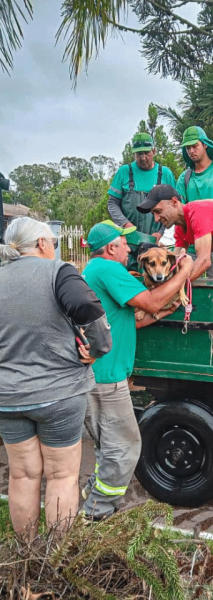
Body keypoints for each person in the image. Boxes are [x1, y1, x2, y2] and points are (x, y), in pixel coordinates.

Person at [0, 217, 112, 539]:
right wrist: (99, 347)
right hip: (60, 395)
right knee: (62, 475)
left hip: (8, 398)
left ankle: (27, 556)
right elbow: (85, 305)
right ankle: (56, 561)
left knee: (21, 476)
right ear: (41, 244)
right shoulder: (59, 272)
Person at [79, 221, 193, 521]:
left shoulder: (92, 271)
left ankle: (89, 497)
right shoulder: (110, 270)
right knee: (126, 447)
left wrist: (162, 313)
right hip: (106, 377)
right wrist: (184, 271)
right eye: (124, 244)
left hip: (100, 374)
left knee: (108, 447)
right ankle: (96, 515)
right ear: (111, 247)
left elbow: (129, 321)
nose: (130, 249)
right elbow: (152, 300)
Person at [107, 132, 178, 267]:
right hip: (128, 242)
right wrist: (125, 224)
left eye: (146, 153)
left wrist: (161, 232)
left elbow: (174, 208)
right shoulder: (124, 172)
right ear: (134, 154)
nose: (143, 157)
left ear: (154, 151)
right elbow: (112, 203)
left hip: (156, 242)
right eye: (139, 154)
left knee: (155, 278)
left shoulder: (165, 174)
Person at [176, 125, 213, 278]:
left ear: (205, 144)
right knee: (184, 288)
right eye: (188, 148)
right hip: (191, 247)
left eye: (195, 146)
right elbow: (179, 215)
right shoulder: (184, 178)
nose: (191, 151)